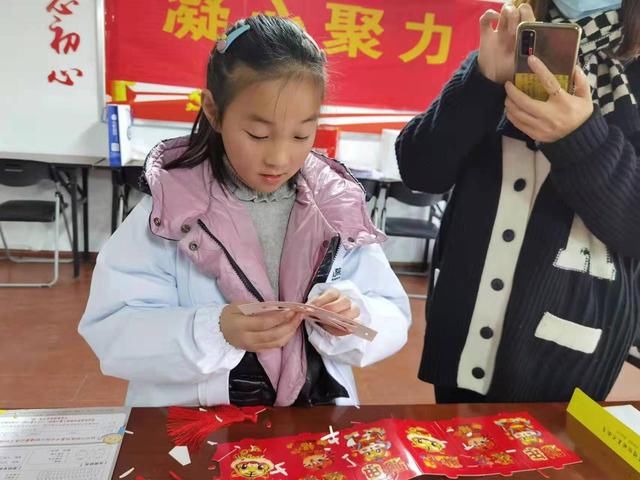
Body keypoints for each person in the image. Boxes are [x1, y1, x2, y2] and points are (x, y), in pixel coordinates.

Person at [79, 15, 410, 407]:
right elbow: (114, 329)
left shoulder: (334, 207)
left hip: (312, 423)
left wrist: (352, 317)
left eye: (302, 134)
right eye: (258, 134)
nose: (280, 157)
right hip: (198, 428)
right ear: (215, 112)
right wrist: (214, 331)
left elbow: (392, 315)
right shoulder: (170, 212)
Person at [396, 0, 640, 403]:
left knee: (547, 463)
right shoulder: (514, 45)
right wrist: (482, 80)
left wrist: (577, 137)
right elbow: (420, 170)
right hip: (465, 332)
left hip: (573, 352)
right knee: (454, 458)